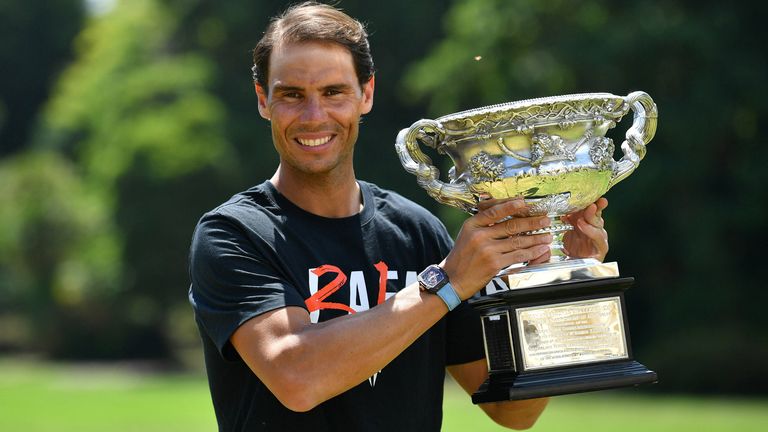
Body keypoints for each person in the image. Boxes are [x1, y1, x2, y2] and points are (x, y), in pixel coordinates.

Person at [188, 2, 609, 431]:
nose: (314, 116)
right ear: (264, 100)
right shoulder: (234, 234)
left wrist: (562, 282)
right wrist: (447, 283)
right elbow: (297, 378)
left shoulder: (416, 233)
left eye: (333, 92)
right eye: (292, 95)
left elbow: (513, 410)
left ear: (366, 94)